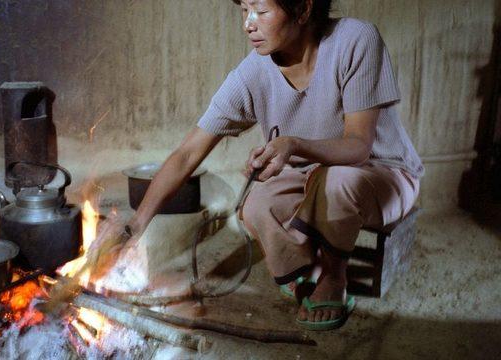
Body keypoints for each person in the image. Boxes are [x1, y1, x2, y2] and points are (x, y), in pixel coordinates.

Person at [98, 0, 423, 331]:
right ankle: (304, 273)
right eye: (244, 10)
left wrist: (292, 144)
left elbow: (358, 147)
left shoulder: (355, 41)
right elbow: (187, 154)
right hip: (310, 180)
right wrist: (134, 226)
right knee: (256, 203)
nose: (248, 24)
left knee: (338, 181)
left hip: (381, 172)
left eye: (261, 11)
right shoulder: (252, 74)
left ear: (302, 9)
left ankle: (334, 276)